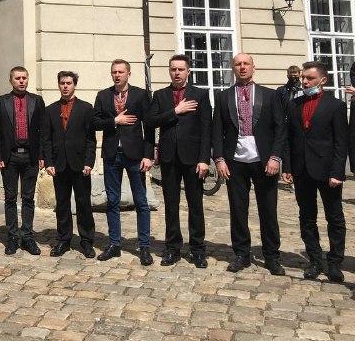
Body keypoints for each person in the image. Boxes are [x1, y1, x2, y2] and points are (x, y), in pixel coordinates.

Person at [211, 53, 287, 275]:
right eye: (238, 64)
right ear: (233, 68)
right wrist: (219, 159)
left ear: (254, 67)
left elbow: (280, 129)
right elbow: (218, 130)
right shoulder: (224, 96)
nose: (242, 67)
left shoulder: (270, 95)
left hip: (264, 161)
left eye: (246, 64)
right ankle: (241, 254)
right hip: (234, 162)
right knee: (238, 209)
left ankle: (272, 256)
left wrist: (275, 157)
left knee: (268, 210)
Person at [283, 61, 347, 283]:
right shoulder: (295, 103)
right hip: (302, 170)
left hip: (327, 170)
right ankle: (315, 260)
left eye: (309, 78)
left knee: (334, 217)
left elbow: (341, 142)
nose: (304, 82)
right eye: (303, 78)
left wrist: (338, 172)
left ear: (322, 80)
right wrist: (288, 167)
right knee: (307, 217)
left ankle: (335, 263)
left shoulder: (335, 106)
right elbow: (289, 138)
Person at [145, 55, 212, 268]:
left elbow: (206, 129)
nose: (177, 73)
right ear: (169, 71)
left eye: (181, 69)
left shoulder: (200, 94)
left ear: (188, 71)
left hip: (193, 158)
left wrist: (204, 159)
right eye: (173, 69)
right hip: (169, 157)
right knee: (171, 205)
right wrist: (175, 111)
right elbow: (150, 121)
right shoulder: (161, 95)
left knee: (195, 205)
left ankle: (198, 249)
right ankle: (172, 248)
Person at [93, 59, 155, 265]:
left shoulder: (140, 95)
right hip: (112, 154)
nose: (117, 75)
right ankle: (114, 244)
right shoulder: (103, 95)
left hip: (135, 154)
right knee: (112, 200)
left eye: (121, 72)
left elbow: (150, 125)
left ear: (129, 74)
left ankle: (144, 246)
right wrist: (114, 121)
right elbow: (94, 122)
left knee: (141, 201)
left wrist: (148, 154)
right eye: (114, 72)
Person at [41, 71, 97, 258]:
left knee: (83, 204)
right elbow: (46, 139)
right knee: (62, 204)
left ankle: (87, 241)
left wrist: (89, 162)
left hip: (80, 164)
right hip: (59, 165)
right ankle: (63, 240)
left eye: (69, 83)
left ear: (75, 85)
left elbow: (91, 139)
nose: (65, 86)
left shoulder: (86, 108)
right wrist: (49, 162)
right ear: (58, 85)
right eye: (62, 83)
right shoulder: (50, 110)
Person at [0, 66, 46, 256]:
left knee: (29, 198)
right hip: (10, 157)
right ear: (11, 80)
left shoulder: (37, 101)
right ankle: (13, 236)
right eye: (17, 78)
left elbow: (43, 130)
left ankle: (28, 236)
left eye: (24, 78)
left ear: (28, 80)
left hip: (30, 157)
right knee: (10, 198)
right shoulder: (1, 102)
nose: (21, 81)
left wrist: (42, 155)